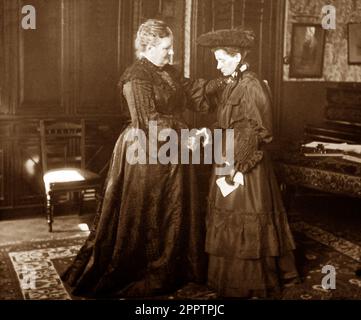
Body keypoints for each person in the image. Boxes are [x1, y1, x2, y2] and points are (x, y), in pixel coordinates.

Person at [61, 19, 223, 298]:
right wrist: (190, 132)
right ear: (148, 46)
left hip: (173, 148)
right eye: (166, 48)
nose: (172, 54)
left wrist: (227, 83)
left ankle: (174, 266)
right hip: (144, 151)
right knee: (147, 210)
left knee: (174, 208)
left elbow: (195, 90)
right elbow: (149, 121)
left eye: (171, 48)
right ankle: (146, 267)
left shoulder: (167, 71)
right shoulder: (136, 77)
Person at [197, 27, 300, 298]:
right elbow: (227, 120)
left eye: (222, 59)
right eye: (216, 59)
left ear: (238, 56)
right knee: (227, 214)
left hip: (245, 162)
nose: (217, 66)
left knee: (246, 214)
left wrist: (240, 166)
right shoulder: (233, 83)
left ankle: (249, 281)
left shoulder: (251, 84)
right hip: (228, 156)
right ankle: (227, 278)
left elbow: (262, 130)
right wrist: (210, 131)